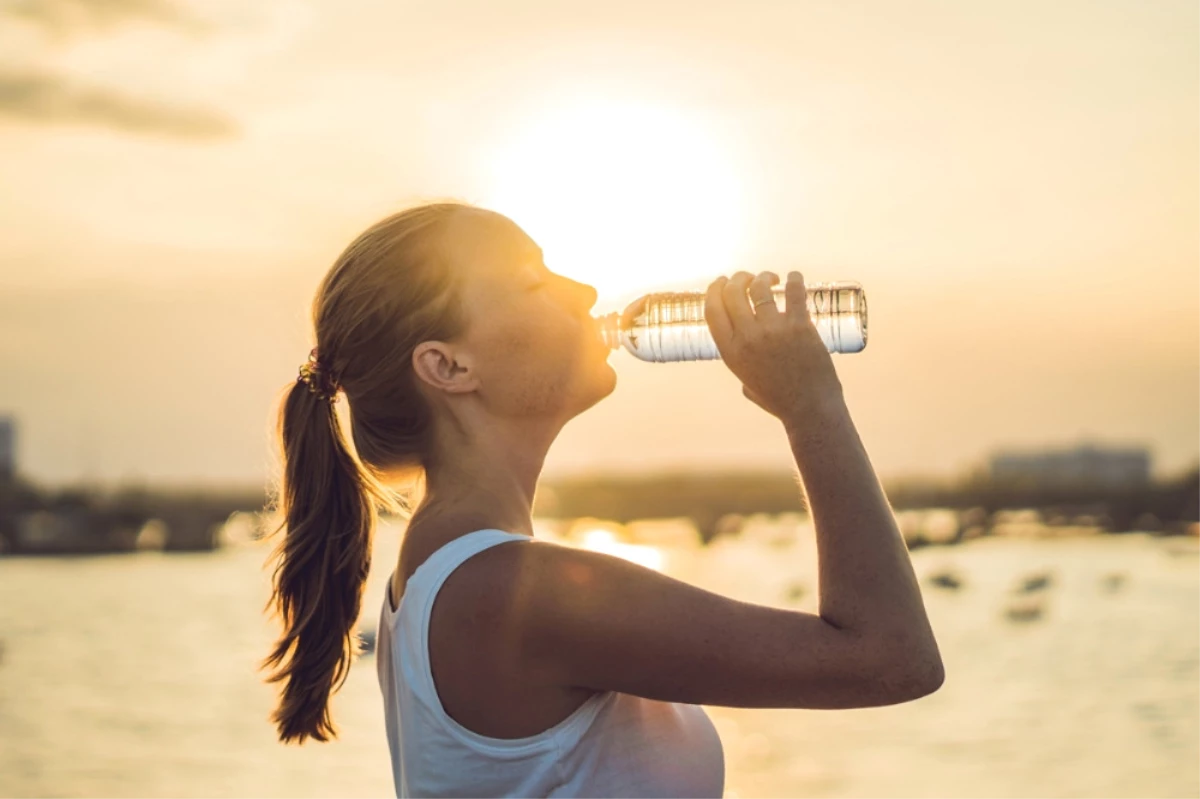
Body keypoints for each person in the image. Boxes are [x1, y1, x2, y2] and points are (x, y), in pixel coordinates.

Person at [262, 202, 944, 797]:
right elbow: (890, 657)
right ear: (449, 366)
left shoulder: (440, 576)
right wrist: (811, 404)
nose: (584, 290)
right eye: (535, 281)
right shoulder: (510, 592)